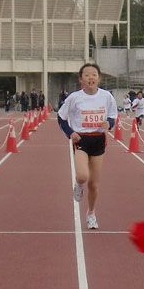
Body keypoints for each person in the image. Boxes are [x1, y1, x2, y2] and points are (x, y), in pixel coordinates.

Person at [57, 63, 118, 230]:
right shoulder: (74, 98)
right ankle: (78, 184)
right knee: (83, 176)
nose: (91, 78)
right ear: (81, 79)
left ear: (99, 78)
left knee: (94, 184)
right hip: (81, 140)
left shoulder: (106, 96)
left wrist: (109, 123)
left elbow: (113, 115)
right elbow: (61, 118)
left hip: (98, 139)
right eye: (87, 75)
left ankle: (91, 213)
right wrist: (70, 133)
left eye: (94, 75)